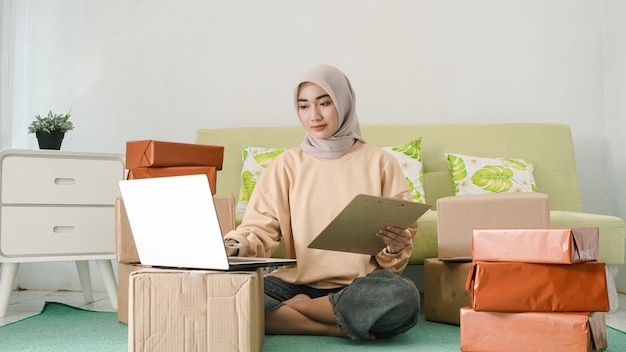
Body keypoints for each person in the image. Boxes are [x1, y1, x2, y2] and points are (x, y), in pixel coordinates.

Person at [223, 64, 420, 340]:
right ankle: (326, 325)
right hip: (294, 284)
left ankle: (298, 312)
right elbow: (258, 230)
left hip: (357, 286)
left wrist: (394, 246)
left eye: (324, 103)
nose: (313, 115)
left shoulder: (379, 162)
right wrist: (234, 245)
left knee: (404, 297)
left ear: (344, 103)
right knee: (230, 294)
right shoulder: (287, 164)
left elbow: (397, 248)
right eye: (304, 106)